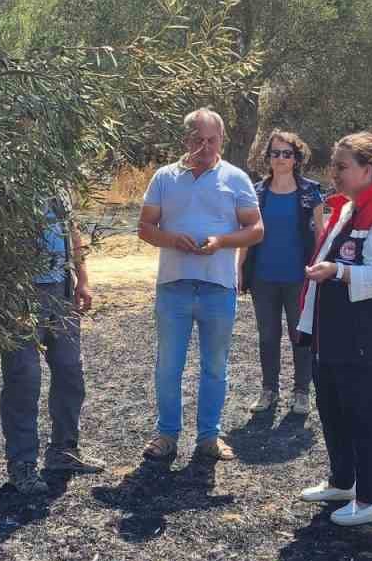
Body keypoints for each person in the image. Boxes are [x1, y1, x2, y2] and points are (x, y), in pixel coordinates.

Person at [295, 132, 372, 526]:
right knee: (332, 408)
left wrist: (338, 271)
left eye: (342, 166)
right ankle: (342, 481)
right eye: (333, 165)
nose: (335, 173)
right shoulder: (348, 207)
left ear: (368, 169)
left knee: (363, 414)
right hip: (334, 334)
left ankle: (371, 499)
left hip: (365, 338)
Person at [137, 109, 263, 464]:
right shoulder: (164, 177)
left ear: (221, 139)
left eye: (212, 140)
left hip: (217, 287)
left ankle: (209, 436)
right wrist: (170, 238)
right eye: (198, 140)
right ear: (185, 140)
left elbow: (256, 230)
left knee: (215, 366)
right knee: (168, 366)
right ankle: (166, 435)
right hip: (173, 286)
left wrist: (222, 241)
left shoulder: (236, 178)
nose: (205, 147)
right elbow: (145, 227)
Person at [0, 190, 104, 494]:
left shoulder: (57, 181)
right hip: (18, 296)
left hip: (62, 291)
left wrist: (82, 278)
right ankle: (22, 464)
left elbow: (72, 230)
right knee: (24, 379)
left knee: (70, 372)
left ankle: (63, 451)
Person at [238, 128, 325, 418]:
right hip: (263, 277)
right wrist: (239, 269)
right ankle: (268, 390)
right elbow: (246, 234)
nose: (280, 159)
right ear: (268, 157)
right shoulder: (256, 191)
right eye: (275, 153)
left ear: (296, 158)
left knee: (300, 336)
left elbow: (320, 235)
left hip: (299, 278)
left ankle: (302, 392)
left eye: (287, 153)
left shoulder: (310, 192)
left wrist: (319, 271)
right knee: (267, 336)